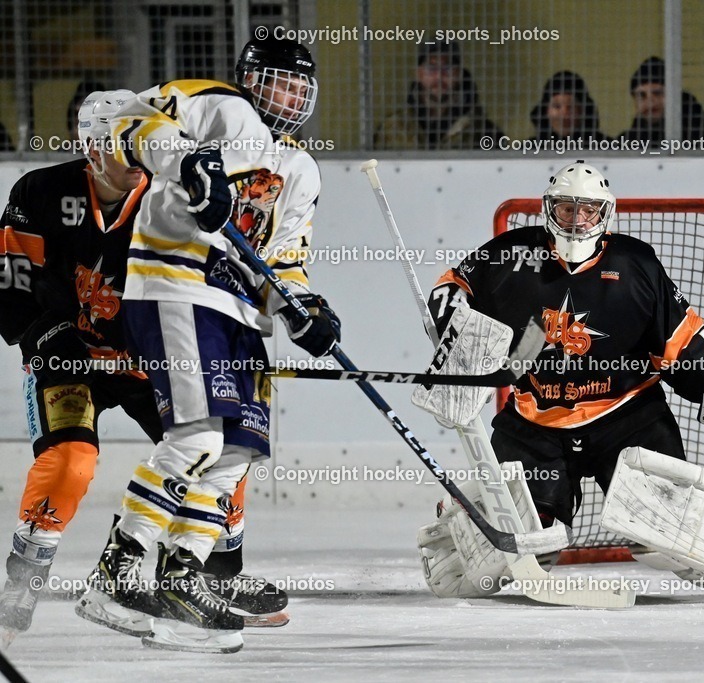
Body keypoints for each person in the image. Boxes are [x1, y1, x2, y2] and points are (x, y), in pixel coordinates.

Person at [415, 160, 704, 602]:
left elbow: (681, 343)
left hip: (628, 418)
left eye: (587, 210)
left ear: (605, 214)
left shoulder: (635, 264)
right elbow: (454, 286)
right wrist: (452, 317)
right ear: (548, 210)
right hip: (537, 421)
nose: (577, 220)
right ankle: (464, 541)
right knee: (527, 536)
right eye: (567, 209)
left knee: (665, 528)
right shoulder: (512, 254)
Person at [75, 37, 339, 654]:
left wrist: (306, 312)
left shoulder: (303, 170)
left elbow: (283, 265)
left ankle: (182, 576)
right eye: (280, 82)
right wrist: (187, 162)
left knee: (236, 451)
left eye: (302, 87)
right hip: (175, 284)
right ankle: (117, 572)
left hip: (240, 311)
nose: (293, 96)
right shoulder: (219, 107)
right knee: (195, 437)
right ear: (250, 78)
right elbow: (119, 112)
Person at [0, 89, 282, 646]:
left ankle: (209, 575)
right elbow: (9, 284)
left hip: (142, 360)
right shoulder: (39, 191)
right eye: (121, 147)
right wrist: (45, 336)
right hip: (67, 358)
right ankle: (23, 580)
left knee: (219, 446)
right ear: (91, 147)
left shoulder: (169, 194)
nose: (136, 160)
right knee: (70, 463)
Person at [374, 40, 503, 150]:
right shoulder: (392, 130)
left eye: (448, 68)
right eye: (432, 67)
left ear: (458, 74)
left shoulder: (484, 131)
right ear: (419, 74)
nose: (439, 76)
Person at [618, 56, 704, 145]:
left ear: (674, 96)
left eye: (657, 93)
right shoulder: (627, 143)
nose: (650, 102)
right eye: (642, 95)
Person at [530, 71, 607, 143]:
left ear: (584, 110)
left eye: (571, 107)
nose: (564, 114)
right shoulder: (529, 150)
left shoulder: (606, 146)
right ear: (546, 111)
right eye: (557, 106)